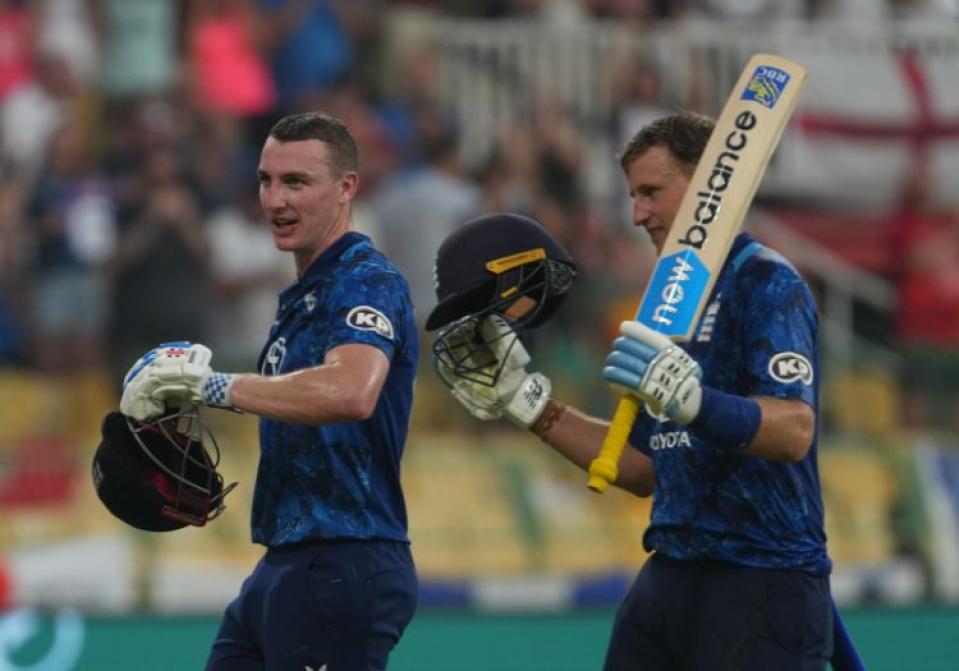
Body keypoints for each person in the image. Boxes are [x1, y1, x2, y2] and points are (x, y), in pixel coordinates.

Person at [430, 112, 846, 670]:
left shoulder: (767, 283)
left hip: (762, 577)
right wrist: (526, 401)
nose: (637, 213)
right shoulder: (666, 302)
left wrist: (696, 403)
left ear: (707, 188)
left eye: (651, 192)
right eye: (632, 195)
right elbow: (643, 466)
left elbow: (794, 430)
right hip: (672, 572)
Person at [119, 112, 419, 671]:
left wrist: (211, 386)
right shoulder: (305, 295)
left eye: (296, 182)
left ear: (347, 187)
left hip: (343, 559)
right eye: (265, 180)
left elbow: (352, 391)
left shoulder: (365, 280)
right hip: (288, 562)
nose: (275, 200)